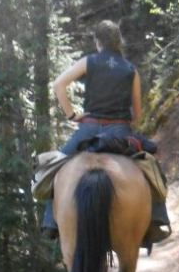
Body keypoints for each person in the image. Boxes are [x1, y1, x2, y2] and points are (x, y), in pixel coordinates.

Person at [42, 20, 170, 249]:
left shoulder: (89, 62)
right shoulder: (130, 69)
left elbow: (59, 85)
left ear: (97, 41)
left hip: (87, 131)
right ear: (118, 41)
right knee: (152, 169)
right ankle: (156, 221)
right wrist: (120, 122)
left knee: (56, 167)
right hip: (119, 132)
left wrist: (73, 116)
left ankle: (51, 222)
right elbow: (137, 113)